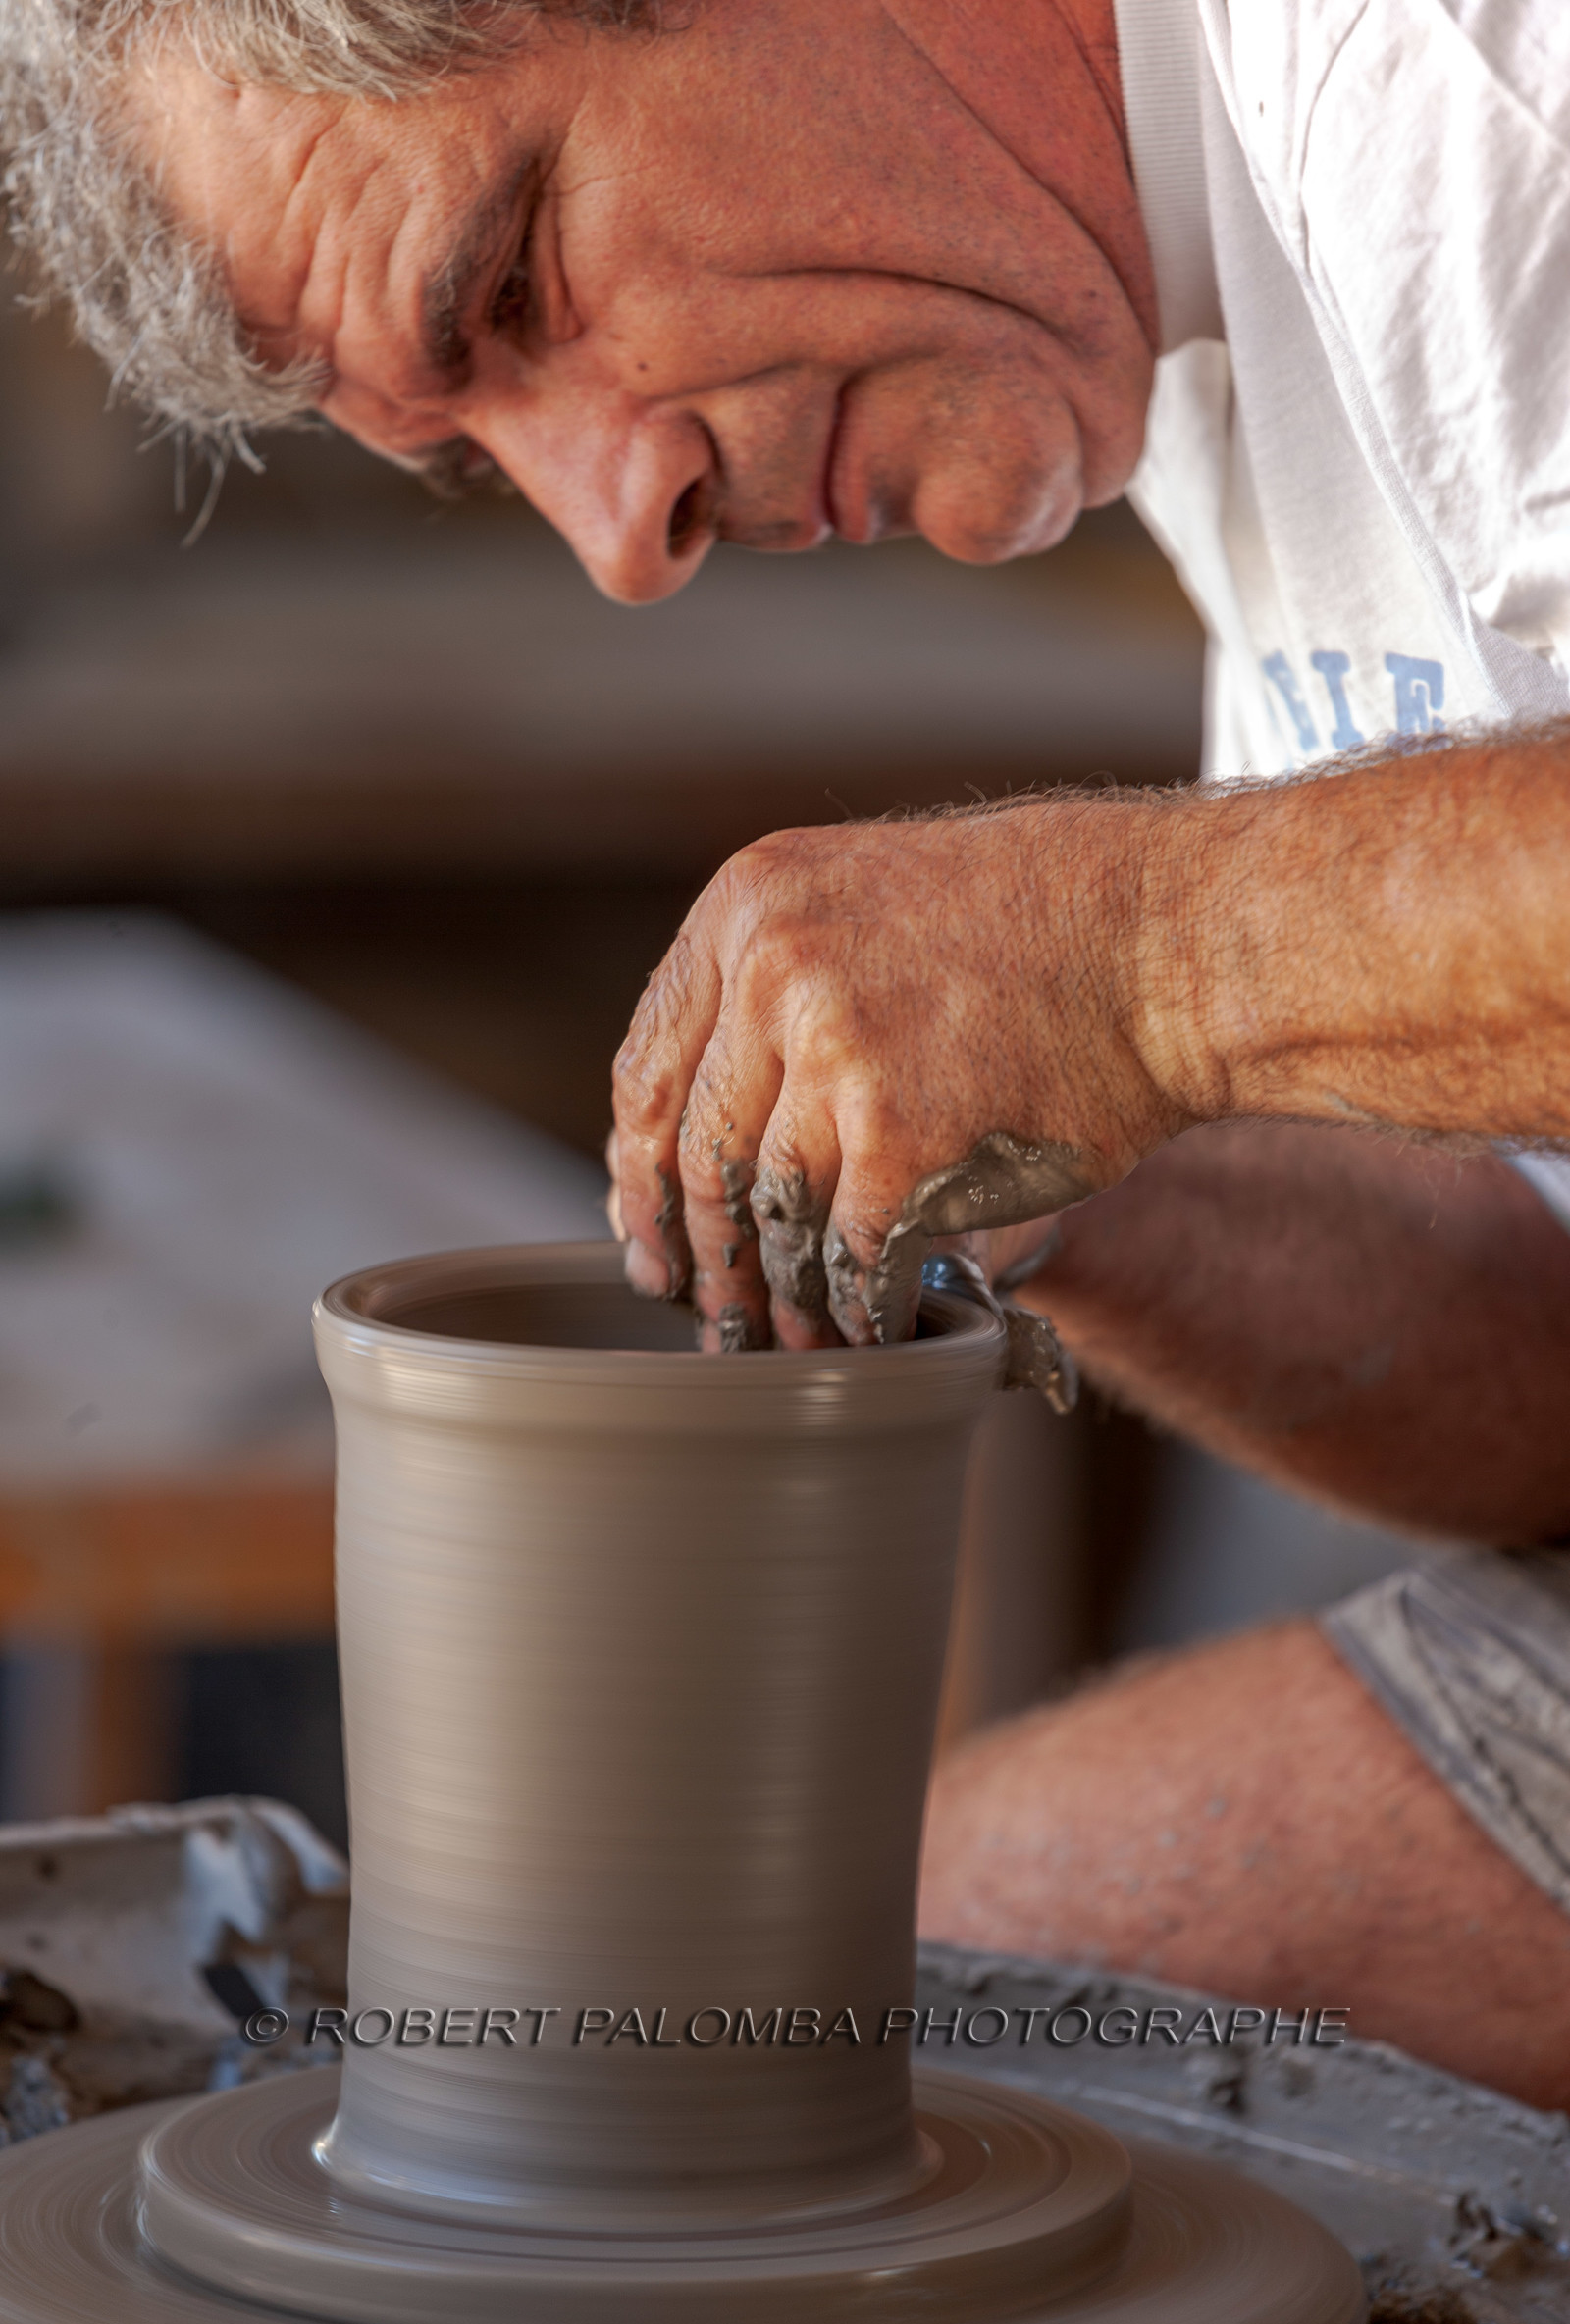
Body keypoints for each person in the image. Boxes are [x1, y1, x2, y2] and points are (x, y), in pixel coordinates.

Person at [7, 0, 1570, 2101]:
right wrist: (1070, 1169)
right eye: (481, 451)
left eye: (512, 284)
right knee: (720, 2057)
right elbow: (1533, 1397)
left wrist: (1132, 962)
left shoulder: (1450, 81)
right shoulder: (1182, 321)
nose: (613, 530)